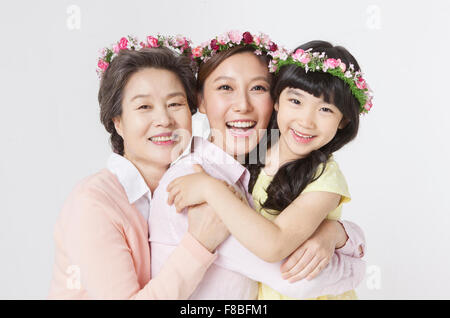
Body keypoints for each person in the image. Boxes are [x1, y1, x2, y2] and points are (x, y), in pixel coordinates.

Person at [149, 31, 366, 299]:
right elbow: (296, 278)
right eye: (225, 87)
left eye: (258, 88)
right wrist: (357, 266)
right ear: (200, 100)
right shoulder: (193, 178)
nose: (242, 105)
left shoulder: (259, 158)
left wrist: (337, 234)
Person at [48, 36, 231, 299]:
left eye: (175, 104)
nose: (164, 120)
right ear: (118, 122)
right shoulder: (93, 204)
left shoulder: (199, 177)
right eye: (144, 106)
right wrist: (200, 243)